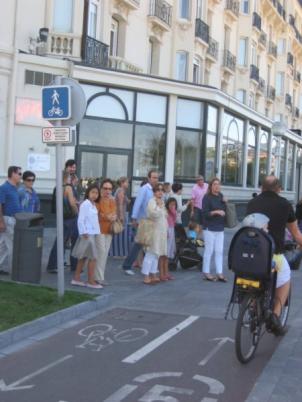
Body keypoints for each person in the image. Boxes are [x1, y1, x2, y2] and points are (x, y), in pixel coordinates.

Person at [246, 175, 302, 335]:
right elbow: (296, 235)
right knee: (286, 277)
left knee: (251, 277)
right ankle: (275, 317)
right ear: (279, 189)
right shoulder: (285, 205)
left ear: (262, 188)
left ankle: (252, 305)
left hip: (250, 252)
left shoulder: (251, 203)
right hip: (272, 254)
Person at [122, 170, 159, 275]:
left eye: (157, 178)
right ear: (149, 178)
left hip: (152, 221)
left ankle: (151, 267)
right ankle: (127, 266)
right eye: (153, 177)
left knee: (150, 244)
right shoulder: (144, 189)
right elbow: (138, 203)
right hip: (143, 221)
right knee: (138, 244)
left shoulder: (156, 190)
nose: (155, 179)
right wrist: (134, 218)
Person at [71, 184, 102, 289]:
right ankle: (90, 281)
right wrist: (83, 232)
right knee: (92, 258)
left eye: (96, 193)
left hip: (92, 233)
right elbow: (81, 219)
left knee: (84, 257)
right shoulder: (86, 204)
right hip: (87, 234)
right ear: (88, 193)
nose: (94, 195)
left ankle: (76, 278)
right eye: (92, 192)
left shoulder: (93, 205)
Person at [47, 172, 78, 273]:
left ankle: (53, 264)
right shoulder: (68, 187)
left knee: (60, 241)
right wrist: (76, 212)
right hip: (70, 218)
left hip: (62, 217)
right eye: (69, 177)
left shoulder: (58, 188)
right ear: (67, 177)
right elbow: (72, 204)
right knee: (67, 241)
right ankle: (54, 265)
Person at [141, 183, 168, 284]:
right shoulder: (152, 201)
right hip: (153, 231)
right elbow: (152, 214)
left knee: (157, 254)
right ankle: (146, 276)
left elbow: (165, 216)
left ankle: (153, 274)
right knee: (150, 253)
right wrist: (160, 207)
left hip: (161, 232)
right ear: (154, 192)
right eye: (158, 190)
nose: (160, 192)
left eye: (162, 190)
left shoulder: (162, 202)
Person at [202, 177, 227, 282]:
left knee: (219, 251)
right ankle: (206, 272)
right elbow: (205, 213)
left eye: (218, 184)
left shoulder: (221, 196)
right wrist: (215, 212)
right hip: (209, 228)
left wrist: (225, 203)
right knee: (209, 250)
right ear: (211, 186)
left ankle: (219, 272)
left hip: (220, 227)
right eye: (214, 184)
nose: (217, 186)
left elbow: (225, 210)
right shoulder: (207, 197)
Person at [0, 166, 22, 274]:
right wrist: (1, 222)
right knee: (13, 245)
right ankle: (15, 271)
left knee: (3, 245)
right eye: (19, 174)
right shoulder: (4, 187)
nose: (20, 176)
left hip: (14, 219)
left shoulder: (15, 187)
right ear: (12, 174)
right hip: (8, 219)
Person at [95, 179, 117, 285]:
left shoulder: (112, 200)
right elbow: (98, 215)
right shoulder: (97, 200)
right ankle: (98, 277)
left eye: (110, 189)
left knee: (104, 254)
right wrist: (108, 216)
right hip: (98, 230)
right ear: (101, 189)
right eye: (105, 188)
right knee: (101, 252)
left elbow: (114, 213)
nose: (107, 191)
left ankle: (99, 276)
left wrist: (111, 216)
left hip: (109, 230)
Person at [109, 177, 131, 257]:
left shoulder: (120, 190)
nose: (128, 184)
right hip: (119, 214)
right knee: (118, 231)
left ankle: (115, 252)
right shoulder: (121, 191)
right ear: (122, 183)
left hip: (117, 213)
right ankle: (117, 253)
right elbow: (120, 204)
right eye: (127, 182)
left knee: (117, 232)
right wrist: (121, 216)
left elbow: (126, 201)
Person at [165, 197, 177, 279]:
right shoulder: (165, 212)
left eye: (174, 204)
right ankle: (164, 268)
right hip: (167, 229)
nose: (173, 206)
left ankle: (166, 266)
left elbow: (175, 219)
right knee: (167, 248)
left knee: (170, 248)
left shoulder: (173, 212)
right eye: (171, 204)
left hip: (172, 229)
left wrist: (173, 210)